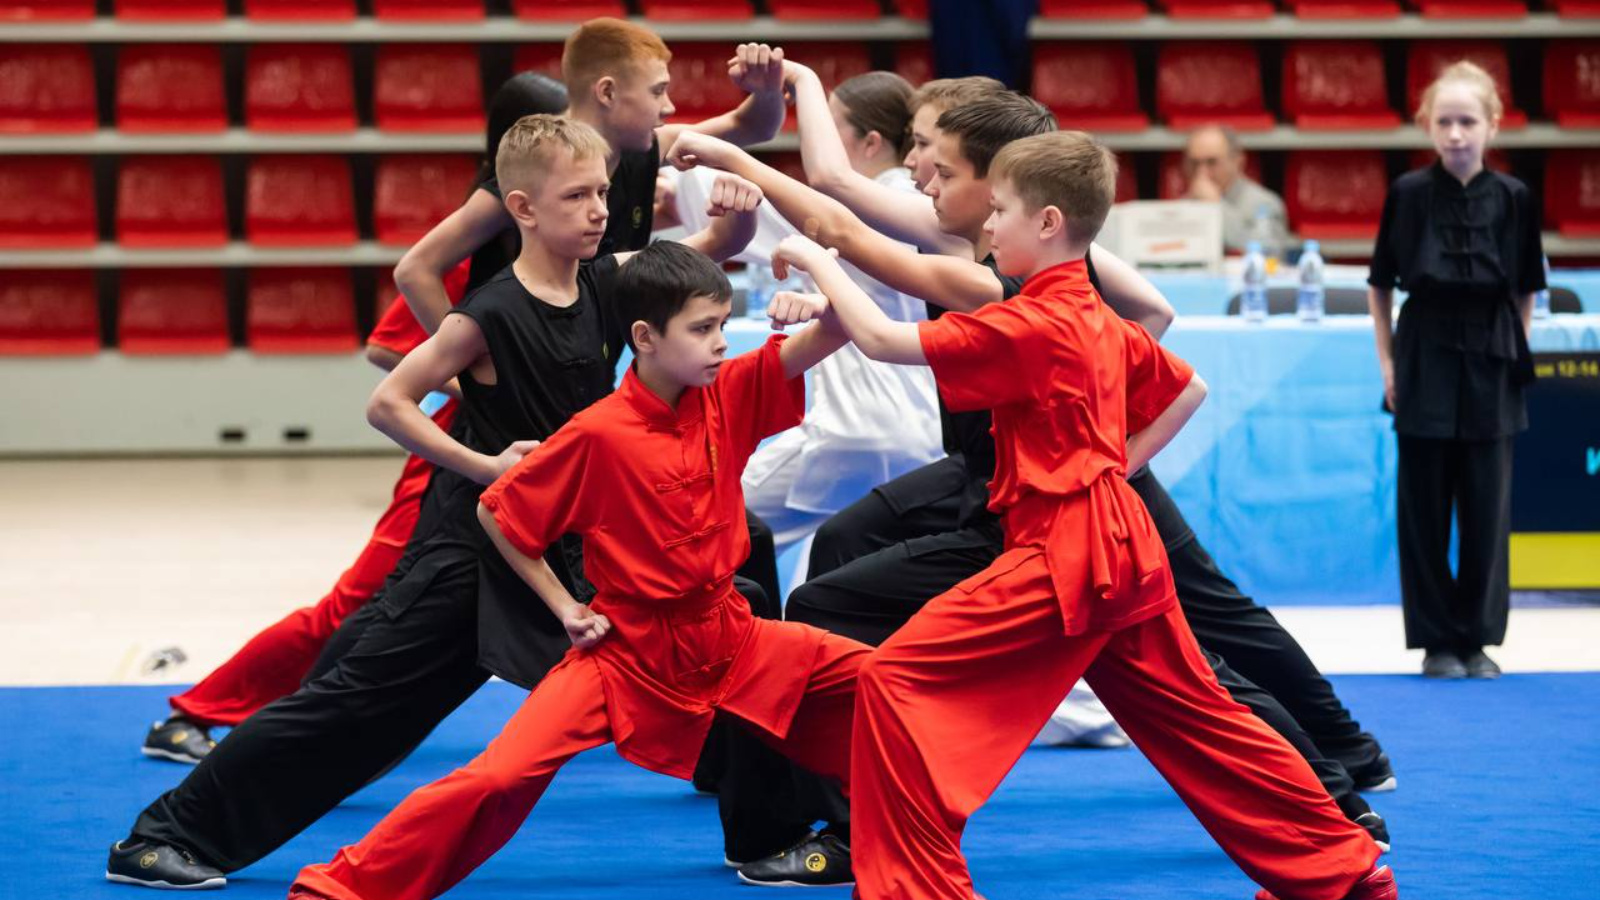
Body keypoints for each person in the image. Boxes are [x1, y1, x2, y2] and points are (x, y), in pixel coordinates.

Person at [669, 91, 1392, 886]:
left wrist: (817, 263)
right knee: (1202, 718)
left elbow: (877, 337)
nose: (987, 224)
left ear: (1047, 222)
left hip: (1062, 550)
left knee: (896, 685)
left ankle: (919, 882)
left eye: (1001, 211)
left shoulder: (1029, 321)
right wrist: (1110, 465)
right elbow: (1184, 387)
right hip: (1123, 542)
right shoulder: (1089, 312)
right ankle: (1345, 867)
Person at [104, 116, 767, 890]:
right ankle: (163, 836)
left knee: (729, 618)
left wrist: (738, 211)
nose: (598, 211)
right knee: (356, 708)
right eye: (577, 196)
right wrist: (485, 465)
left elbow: (711, 247)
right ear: (522, 209)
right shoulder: (489, 312)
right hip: (470, 553)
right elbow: (389, 402)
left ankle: (769, 824)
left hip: (555, 545)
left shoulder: (603, 282)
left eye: (601, 193)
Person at [288, 241, 866, 900]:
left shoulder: (730, 389)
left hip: (730, 636)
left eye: (722, 325)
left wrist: (819, 289)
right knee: (499, 777)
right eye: (703, 328)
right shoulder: (598, 434)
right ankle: (343, 886)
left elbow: (841, 329)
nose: (719, 343)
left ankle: (886, 844)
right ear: (644, 338)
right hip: (626, 653)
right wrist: (564, 605)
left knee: (890, 682)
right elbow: (499, 514)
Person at [139, 72, 570, 765]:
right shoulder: (473, 244)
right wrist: (482, 387)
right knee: (358, 601)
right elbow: (387, 345)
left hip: (518, 457)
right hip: (450, 456)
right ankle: (200, 711)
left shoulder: (554, 239)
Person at [394, 19, 791, 334]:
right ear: (607, 93)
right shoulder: (531, 175)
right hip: (526, 396)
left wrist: (768, 90)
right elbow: (415, 269)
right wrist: (466, 371)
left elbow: (751, 126)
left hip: (586, 373)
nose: (669, 106)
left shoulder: (646, 147)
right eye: (657, 91)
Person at [1368, 61, 1544, 680]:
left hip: (1493, 354)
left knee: (1487, 508)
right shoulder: (1408, 194)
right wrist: (1388, 363)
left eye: (1468, 121)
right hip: (1424, 353)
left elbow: (1526, 289)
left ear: (1492, 125)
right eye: (1444, 122)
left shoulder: (1515, 199)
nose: (1456, 134)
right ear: (1427, 125)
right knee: (1423, 506)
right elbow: (1380, 286)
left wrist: (1516, 352)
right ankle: (1436, 642)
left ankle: (1477, 639)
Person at [1182, 123, 1291, 254]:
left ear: (1238, 161)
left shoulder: (1265, 203)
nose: (1201, 172)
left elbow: (1269, 252)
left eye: (1212, 162)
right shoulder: (1183, 205)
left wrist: (1216, 206)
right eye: (1194, 163)